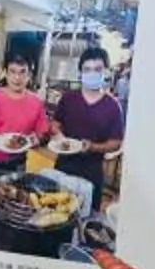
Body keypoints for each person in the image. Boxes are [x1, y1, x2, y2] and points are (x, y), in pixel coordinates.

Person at [50, 45, 126, 197]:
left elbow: (116, 142)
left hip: (92, 172)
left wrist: (93, 147)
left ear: (106, 72)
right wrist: (58, 135)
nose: (92, 73)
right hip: (63, 166)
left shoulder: (112, 106)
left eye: (97, 69)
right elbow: (55, 124)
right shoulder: (68, 98)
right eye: (87, 69)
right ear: (80, 73)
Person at [0, 50, 54, 177]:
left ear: (29, 74)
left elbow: (42, 133)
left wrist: (37, 139)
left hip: (18, 164)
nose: (17, 78)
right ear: (5, 73)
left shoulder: (36, 102)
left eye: (22, 72)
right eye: (12, 71)